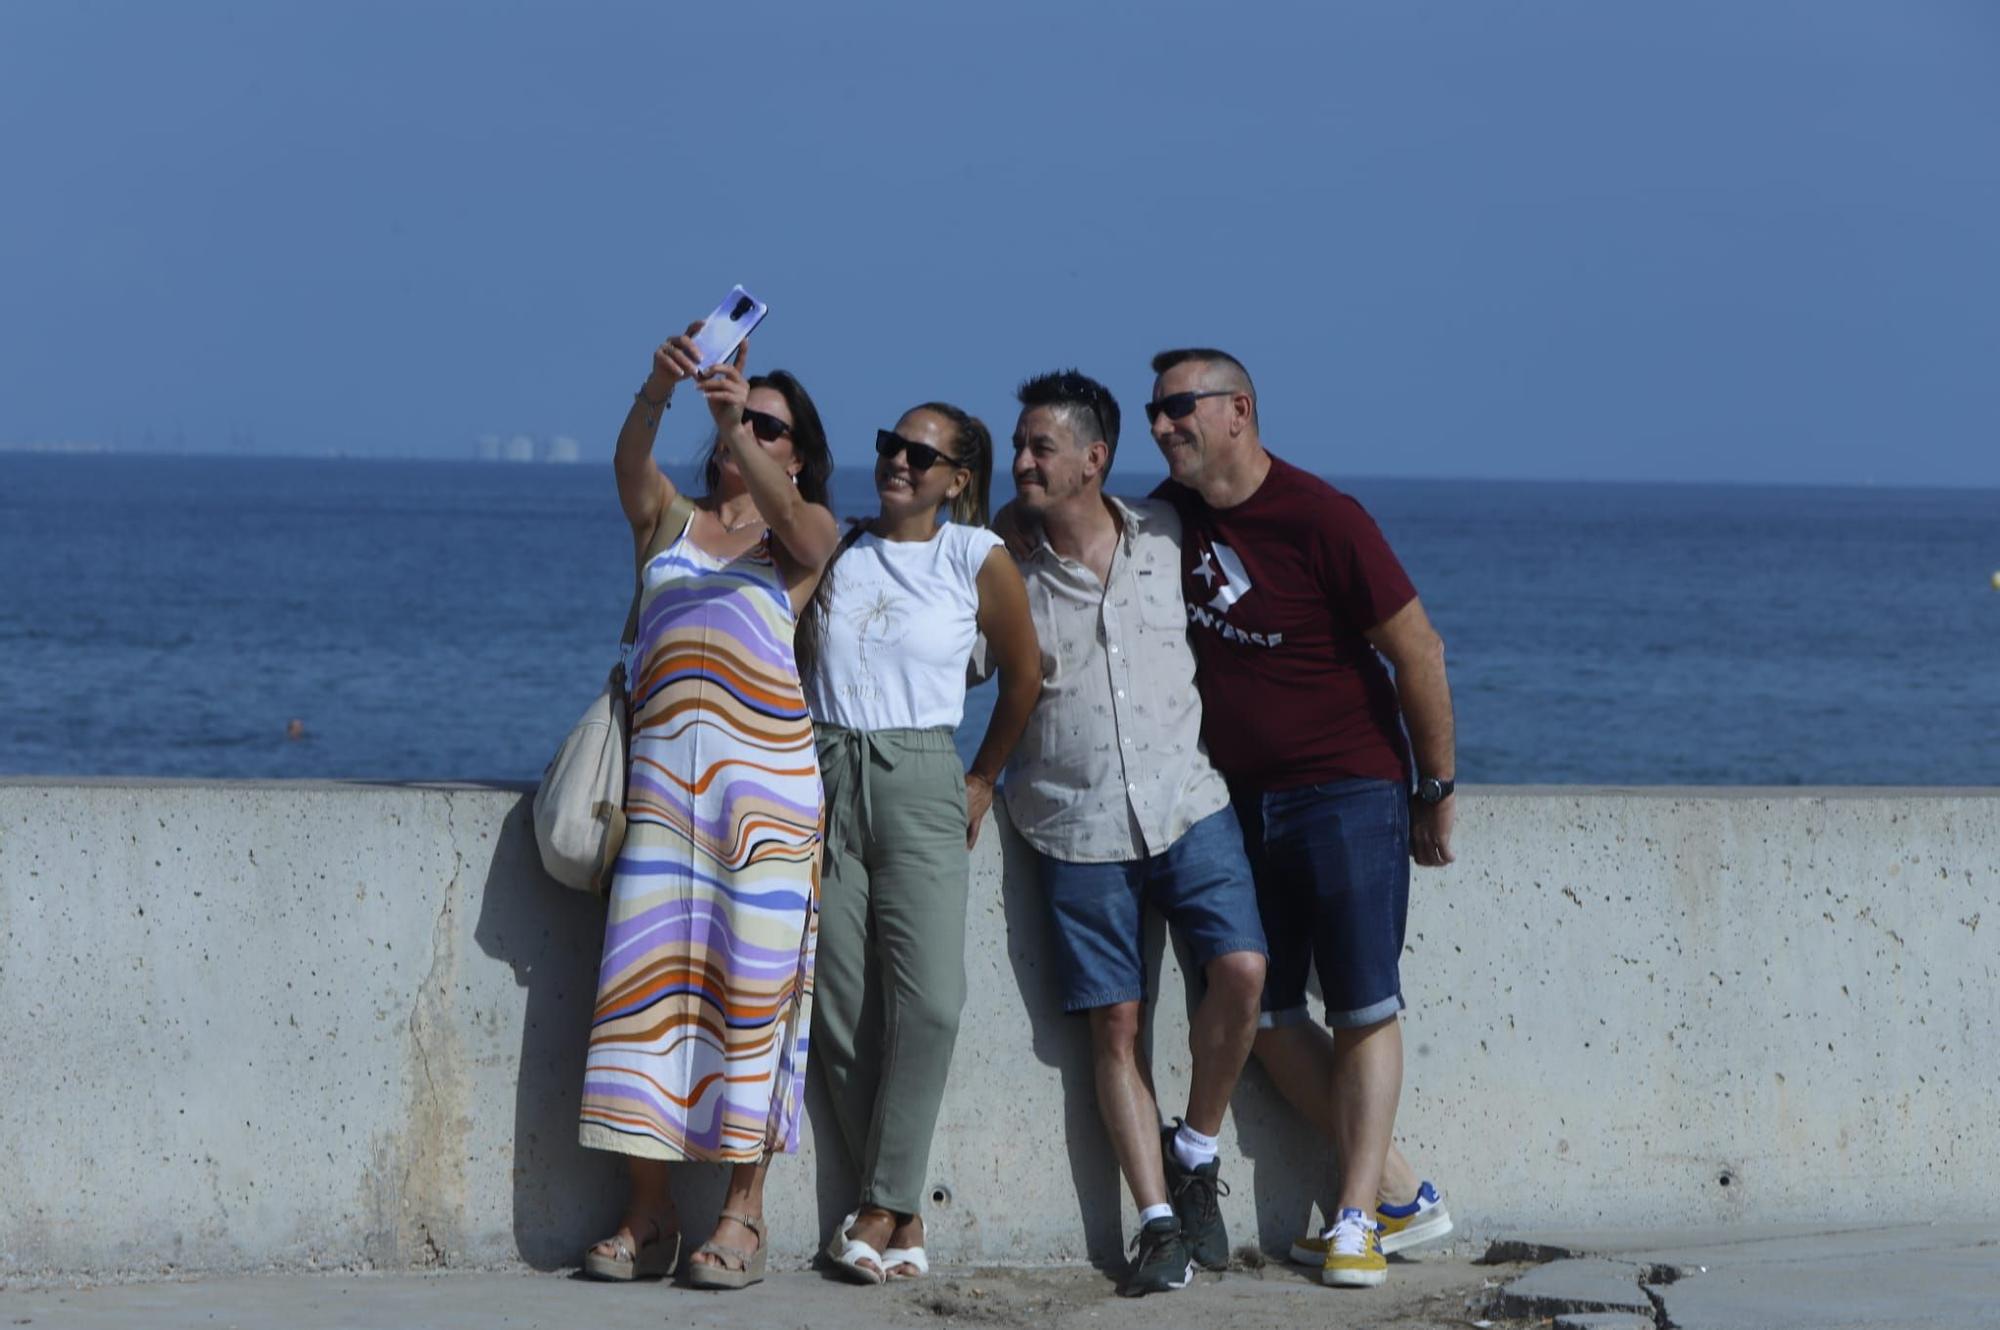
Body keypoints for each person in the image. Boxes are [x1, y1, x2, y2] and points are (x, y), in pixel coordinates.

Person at [1147, 348, 1459, 1289]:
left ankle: (1358, 1219)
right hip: (1236, 806)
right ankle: (1400, 1192)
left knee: (1362, 1002)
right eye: (1154, 412)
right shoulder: (1170, 522)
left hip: (1348, 790)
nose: (1162, 426)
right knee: (1267, 1016)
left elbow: (1419, 651)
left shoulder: (1325, 517)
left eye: (1179, 408)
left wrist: (1435, 790)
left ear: (1238, 409)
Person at [994, 370, 1267, 1297]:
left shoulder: (1166, 531)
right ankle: (1157, 1223)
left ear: (1093, 459)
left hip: (1190, 803)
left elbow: (1244, 492)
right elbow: (947, 672)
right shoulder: (1006, 567)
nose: (1023, 460)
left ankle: (1194, 1150)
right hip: (1074, 824)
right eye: (1020, 446)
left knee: (1242, 970)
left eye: (1041, 448)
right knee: (1117, 1026)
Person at [579, 326, 841, 1291]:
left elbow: (814, 533)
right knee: (643, 1002)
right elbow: (627, 464)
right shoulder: (671, 522)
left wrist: (734, 416)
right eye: (735, 416)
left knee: (755, 1005)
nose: (741, 428)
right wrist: (657, 388)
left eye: (766, 424)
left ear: (795, 453)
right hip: (661, 805)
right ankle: (647, 1217)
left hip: (766, 807)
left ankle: (743, 1214)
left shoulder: (799, 542)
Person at [800, 401, 1042, 1285]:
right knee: (838, 1006)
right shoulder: (839, 549)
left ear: (957, 478)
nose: (898, 461)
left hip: (921, 776)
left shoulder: (975, 558)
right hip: (824, 771)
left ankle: (880, 1201)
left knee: (932, 1002)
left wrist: (982, 779)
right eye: (890, 446)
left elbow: (1026, 677)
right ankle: (898, 1220)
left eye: (920, 453)